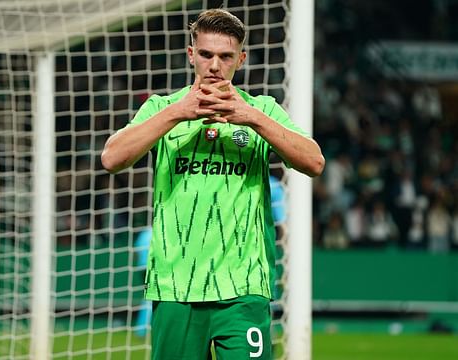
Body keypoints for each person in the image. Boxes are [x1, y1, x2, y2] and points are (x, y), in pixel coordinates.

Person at [101, 8, 324, 360]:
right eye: (206, 54)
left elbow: (313, 161)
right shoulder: (163, 107)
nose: (215, 65)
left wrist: (251, 118)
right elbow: (112, 158)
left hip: (243, 288)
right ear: (191, 54)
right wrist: (179, 113)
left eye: (226, 56)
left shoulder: (261, 108)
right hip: (176, 286)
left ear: (241, 59)